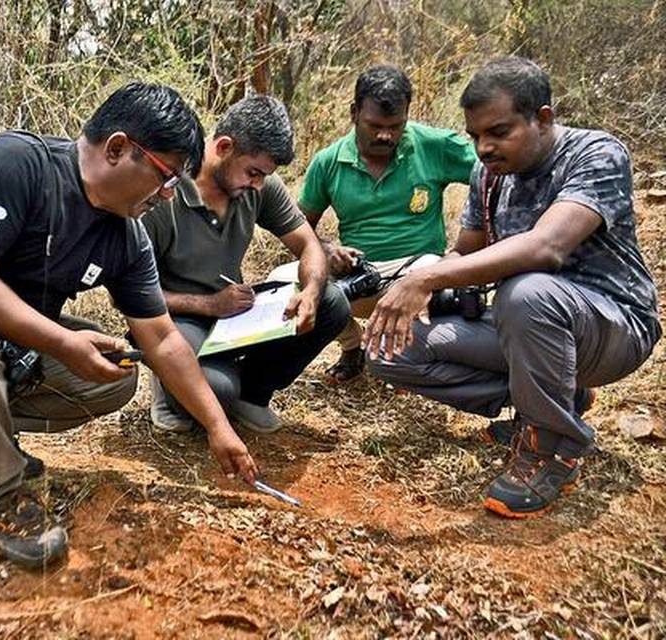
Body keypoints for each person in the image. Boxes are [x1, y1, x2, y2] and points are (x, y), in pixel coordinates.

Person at [0, 83, 259, 568]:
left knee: (116, 376)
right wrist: (64, 342)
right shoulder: (16, 163)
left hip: (1, 339)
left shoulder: (127, 236)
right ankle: (3, 493)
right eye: (166, 177)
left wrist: (218, 427)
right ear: (117, 148)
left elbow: (162, 338)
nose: (168, 196)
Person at [365, 57, 661, 518]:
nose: (484, 147)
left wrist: (427, 277)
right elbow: (465, 251)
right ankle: (554, 402)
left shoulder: (596, 154)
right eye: (475, 136)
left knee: (528, 292)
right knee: (388, 351)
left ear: (542, 118)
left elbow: (548, 247)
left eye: (498, 132)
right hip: (521, 327)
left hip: (612, 326)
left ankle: (552, 446)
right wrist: (430, 287)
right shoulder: (488, 176)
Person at [142, 95, 351, 433]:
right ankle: (173, 385)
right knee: (217, 390)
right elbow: (131, 294)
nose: (258, 185)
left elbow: (308, 244)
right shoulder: (164, 193)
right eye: (253, 173)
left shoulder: (260, 184)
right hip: (176, 319)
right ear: (224, 146)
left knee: (332, 303)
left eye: (264, 176)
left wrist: (311, 291)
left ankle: (251, 394)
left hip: (234, 314)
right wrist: (208, 304)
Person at [290, 64, 477, 382]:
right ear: (353, 113)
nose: (385, 135)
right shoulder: (328, 162)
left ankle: (416, 355)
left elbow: (496, 174)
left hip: (419, 275)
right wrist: (327, 249)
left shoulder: (435, 146)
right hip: (357, 278)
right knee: (282, 284)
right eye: (374, 125)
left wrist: (479, 233)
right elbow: (297, 231)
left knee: (438, 273)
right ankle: (352, 346)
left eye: (395, 125)